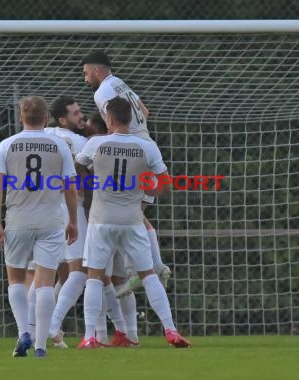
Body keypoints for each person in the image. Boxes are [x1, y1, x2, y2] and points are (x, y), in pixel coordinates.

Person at [76, 97, 191, 349]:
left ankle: (89, 337)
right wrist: (146, 192)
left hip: (101, 219)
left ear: (109, 118)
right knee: (148, 275)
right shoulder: (146, 146)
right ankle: (171, 331)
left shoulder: (96, 142)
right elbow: (165, 183)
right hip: (132, 219)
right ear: (130, 119)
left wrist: (91, 182)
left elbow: (79, 164)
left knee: (95, 277)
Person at [0, 95, 78, 358]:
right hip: (50, 221)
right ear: (47, 118)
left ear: (21, 117)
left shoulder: (7, 145)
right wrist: (72, 220)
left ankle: (22, 333)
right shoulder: (59, 145)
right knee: (44, 284)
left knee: (16, 279)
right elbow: (70, 187)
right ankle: (40, 346)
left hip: (17, 219)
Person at [81, 50, 171, 297]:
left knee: (125, 214)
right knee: (134, 214)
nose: (86, 79)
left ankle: (144, 270)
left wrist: (108, 151)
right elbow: (145, 112)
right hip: (145, 146)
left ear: (98, 71)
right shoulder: (120, 84)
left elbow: (114, 125)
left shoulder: (102, 93)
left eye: (87, 73)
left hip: (130, 154)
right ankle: (153, 267)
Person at [45, 97, 129, 348]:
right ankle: (51, 325)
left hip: (40, 208)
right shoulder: (85, 142)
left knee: (44, 274)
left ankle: (119, 331)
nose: (81, 116)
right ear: (63, 119)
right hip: (71, 208)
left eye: (81, 111)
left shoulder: (44, 134)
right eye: (76, 113)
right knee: (83, 271)